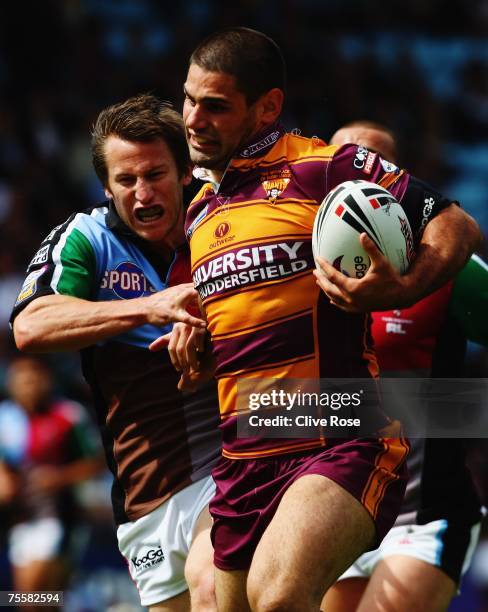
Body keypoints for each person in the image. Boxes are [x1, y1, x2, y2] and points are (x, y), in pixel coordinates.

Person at [174, 27, 482, 611]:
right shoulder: (200, 212)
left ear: (267, 107)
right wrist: (194, 340)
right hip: (242, 456)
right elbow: (233, 329)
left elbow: (457, 225)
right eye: (189, 100)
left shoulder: (324, 168)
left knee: (279, 597)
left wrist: (405, 285)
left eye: (215, 105)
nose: (192, 119)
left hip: (337, 442)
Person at [11, 94, 221, 612]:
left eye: (156, 174)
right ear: (106, 186)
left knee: (215, 587)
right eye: (126, 181)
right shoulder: (87, 238)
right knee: (27, 599)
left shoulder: (223, 230)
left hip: (225, 474)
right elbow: (30, 326)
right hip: (142, 502)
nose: (143, 193)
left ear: (187, 172)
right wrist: (148, 308)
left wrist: (211, 340)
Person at [321, 121, 487, 612]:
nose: (353, 185)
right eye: (340, 167)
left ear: (400, 185)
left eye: (373, 170)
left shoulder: (444, 266)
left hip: (425, 515)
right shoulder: (297, 269)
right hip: (337, 515)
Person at [0, 355, 104, 611]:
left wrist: (59, 479)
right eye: (21, 377)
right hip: (21, 520)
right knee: (32, 601)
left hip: (60, 517)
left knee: (33, 595)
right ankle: (74, 602)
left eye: (34, 375)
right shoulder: (5, 418)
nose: (28, 383)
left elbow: (97, 462)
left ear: (47, 379)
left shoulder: (68, 415)